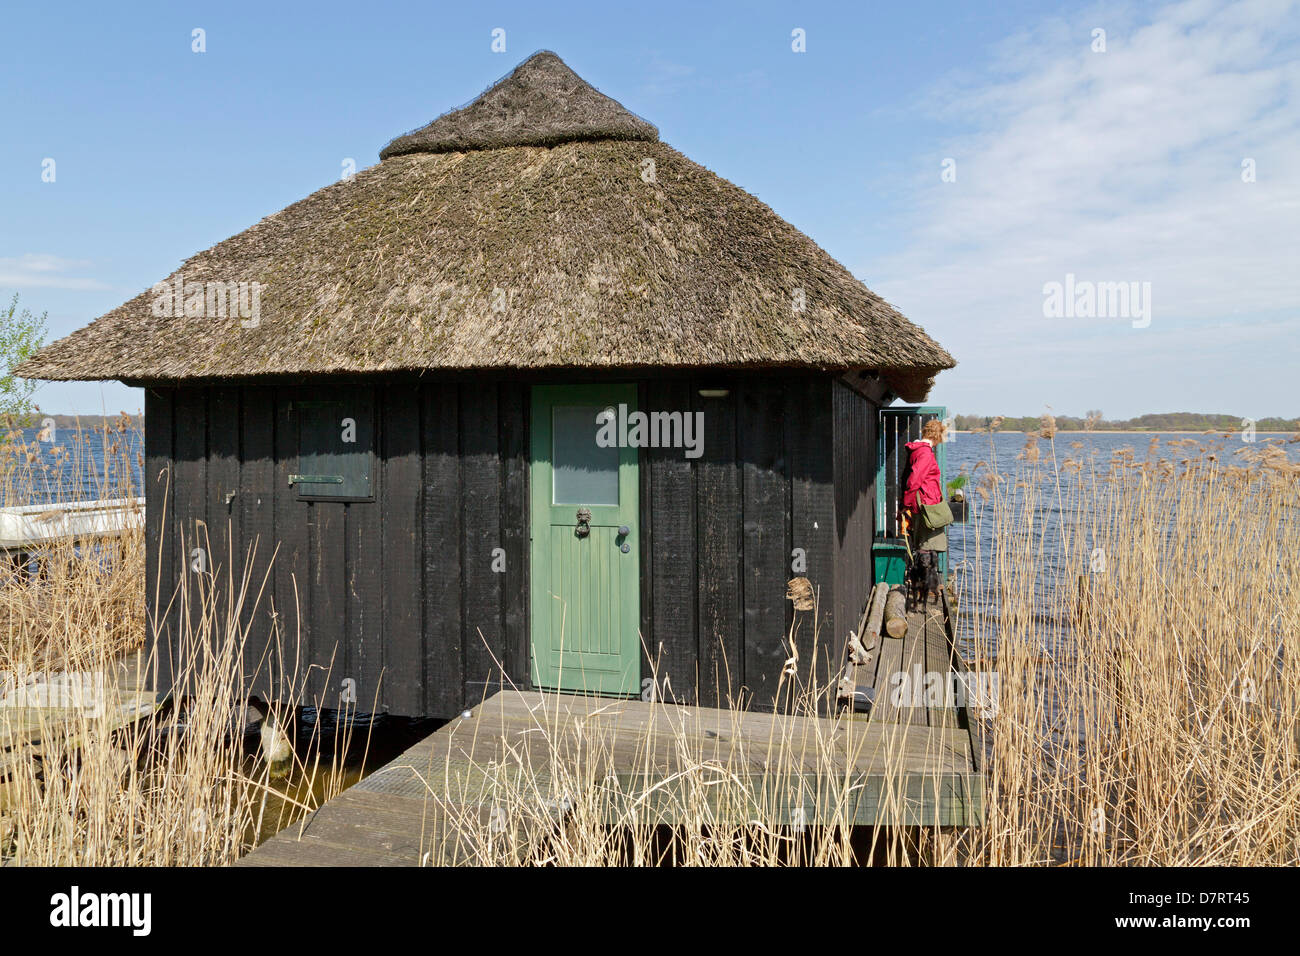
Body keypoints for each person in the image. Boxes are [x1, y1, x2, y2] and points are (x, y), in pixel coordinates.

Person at [901, 419, 947, 603]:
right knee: (927, 546)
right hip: (927, 505)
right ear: (937, 435)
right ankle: (926, 586)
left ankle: (926, 583)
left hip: (923, 502)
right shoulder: (926, 454)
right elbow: (914, 481)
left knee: (924, 545)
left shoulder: (919, 450)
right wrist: (906, 503)